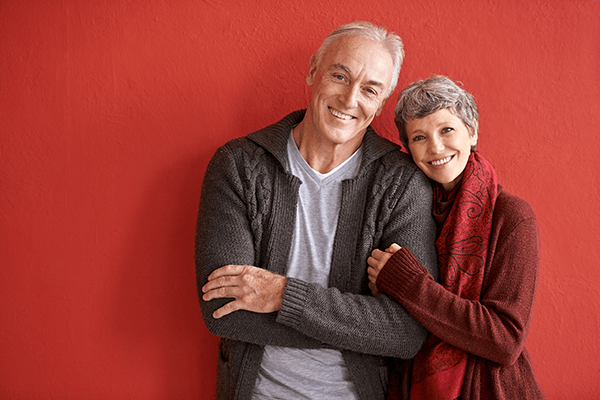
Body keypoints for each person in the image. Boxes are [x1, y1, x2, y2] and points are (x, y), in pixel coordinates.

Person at [195, 21, 438, 399]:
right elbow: (224, 309)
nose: (349, 99)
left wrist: (281, 294)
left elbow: (406, 333)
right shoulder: (238, 165)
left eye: (370, 89)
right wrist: (359, 322)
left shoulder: (401, 184)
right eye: (340, 75)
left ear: (382, 101)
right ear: (313, 70)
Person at [367, 75, 546, 399]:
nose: (435, 147)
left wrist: (408, 285)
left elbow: (505, 340)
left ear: (472, 131)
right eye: (420, 137)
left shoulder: (513, 217)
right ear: (408, 149)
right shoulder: (407, 215)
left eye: (446, 129)